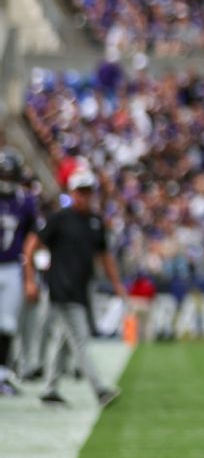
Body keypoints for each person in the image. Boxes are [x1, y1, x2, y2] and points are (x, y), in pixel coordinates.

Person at [22, 169, 126, 406]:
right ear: (72, 193)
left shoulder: (95, 221)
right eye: (80, 192)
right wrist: (31, 278)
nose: (84, 197)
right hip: (61, 287)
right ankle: (99, 389)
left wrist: (117, 283)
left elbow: (104, 256)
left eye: (88, 192)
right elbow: (32, 245)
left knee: (63, 337)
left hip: (81, 288)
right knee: (80, 338)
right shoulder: (60, 218)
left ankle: (50, 388)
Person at [0, 150, 39, 396]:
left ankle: (2, 374)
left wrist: (29, 277)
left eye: (9, 172)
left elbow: (32, 238)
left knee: (7, 324)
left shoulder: (26, 201)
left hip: (13, 266)